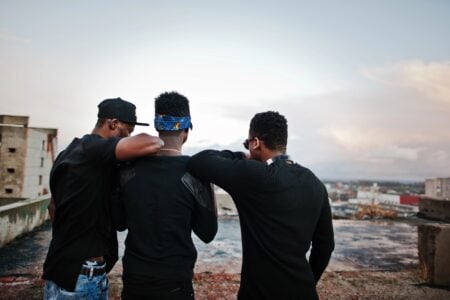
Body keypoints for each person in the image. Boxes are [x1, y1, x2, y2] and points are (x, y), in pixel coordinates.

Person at [186, 111, 334, 300]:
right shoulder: (315, 183)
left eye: (248, 144)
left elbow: (199, 162)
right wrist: (308, 282)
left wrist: (241, 154)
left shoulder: (255, 177)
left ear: (255, 143)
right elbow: (325, 246)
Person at [43, 97, 164, 299]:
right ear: (113, 123)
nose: (130, 136)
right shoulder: (95, 148)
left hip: (59, 267)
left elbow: (52, 206)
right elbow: (153, 143)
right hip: (82, 274)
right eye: (129, 130)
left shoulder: (67, 153)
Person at [114, 91, 218, 300]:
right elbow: (208, 233)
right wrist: (209, 184)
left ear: (157, 126)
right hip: (175, 281)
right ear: (186, 131)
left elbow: (119, 222)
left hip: (135, 277)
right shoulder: (195, 173)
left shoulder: (127, 170)